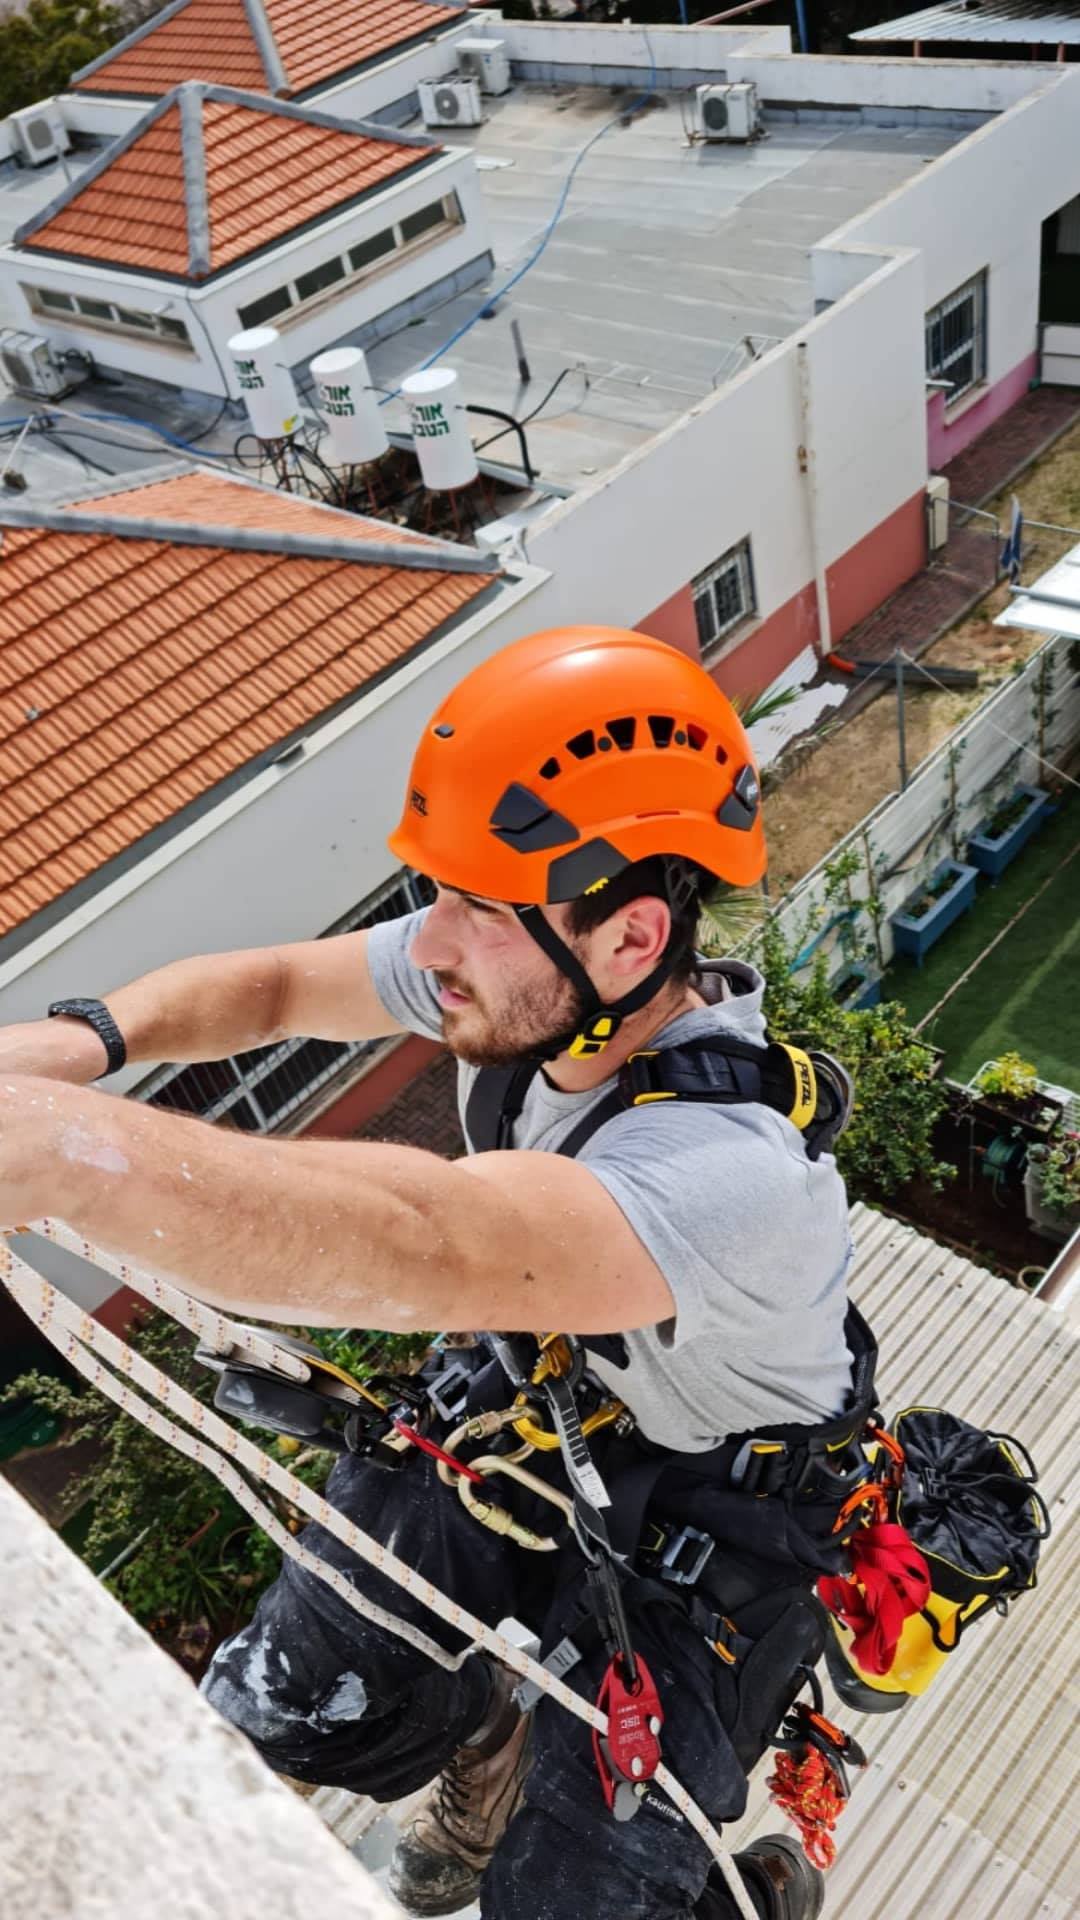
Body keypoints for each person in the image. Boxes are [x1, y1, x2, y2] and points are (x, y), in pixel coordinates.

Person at [0, 627, 857, 1920]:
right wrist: (84, 1041)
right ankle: (484, 1730)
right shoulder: (525, 982)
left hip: (721, 1506)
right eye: (438, 893)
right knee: (289, 1698)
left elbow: (435, 1243)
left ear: (631, 941)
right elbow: (275, 987)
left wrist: (58, 1155)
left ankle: (739, 1895)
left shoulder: (729, 1177)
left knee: (576, 1896)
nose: (430, 943)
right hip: (556, 1395)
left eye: (478, 907)